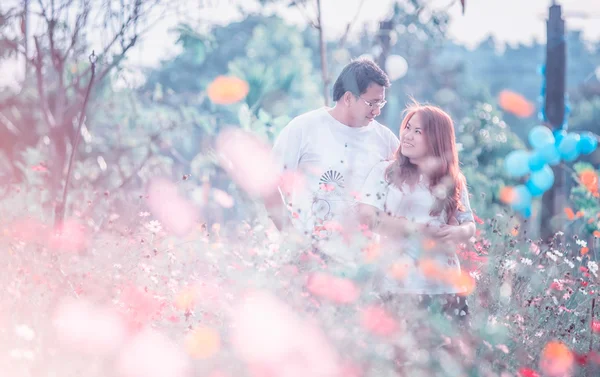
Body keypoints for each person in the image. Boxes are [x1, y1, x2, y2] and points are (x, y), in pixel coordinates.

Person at [356, 102, 476, 370]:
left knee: (446, 365)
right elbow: (367, 215)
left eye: (417, 131)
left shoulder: (452, 180)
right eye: (407, 128)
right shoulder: (386, 173)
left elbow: (469, 226)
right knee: (397, 364)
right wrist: (414, 229)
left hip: (445, 289)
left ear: (436, 138)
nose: (407, 135)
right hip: (398, 285)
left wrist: (457, 231)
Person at [265, 58, 400, 263]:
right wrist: (295, 244)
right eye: (371, 103)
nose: (377, 110)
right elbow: (269, 185)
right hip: (309, 258)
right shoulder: (304, 128)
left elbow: (408, 190)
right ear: (348, 98)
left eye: (380, 102)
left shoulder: (385, 140)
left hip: (362, 264)